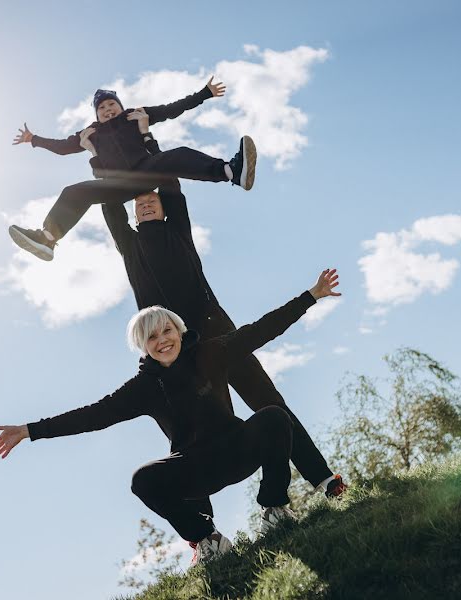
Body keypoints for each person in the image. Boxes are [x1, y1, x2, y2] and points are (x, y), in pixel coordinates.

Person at [0, 268, 342, 566]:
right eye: (153, 337)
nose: (163, 340)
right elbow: (93, 416)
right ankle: (208, 541)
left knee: (274, 417)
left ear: (179, 331)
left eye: (168, 331)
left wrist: (311, 296)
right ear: (144, 346)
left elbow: (260, 330)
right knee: (143, 480)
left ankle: (275, 509)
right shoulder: (144, 387)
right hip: (195, 467)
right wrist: (30, 430)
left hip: (237, 449)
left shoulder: (211, 352)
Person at [101, 134, 346, 504]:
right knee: (193, 434)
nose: (147, 204)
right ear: (134, 214)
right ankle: (205, 532)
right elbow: (108, 202)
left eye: (152, 200)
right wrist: (100, 149)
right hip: (176, 354)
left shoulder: (177, 231)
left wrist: (147, 141)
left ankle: (324, 479)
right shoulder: (129, 245)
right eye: (140, 203)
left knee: (269, 401)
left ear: (164, 208)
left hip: (217, 333)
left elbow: (169, 179)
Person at [7, 77, 257, 261]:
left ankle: (230, 172)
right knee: (73, 192)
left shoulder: (135, 115)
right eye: (102, 108)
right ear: (96, 113)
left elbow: (171, 109)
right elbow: (62, 147)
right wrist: (34, 139)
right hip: (117, 184)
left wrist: (203, 93)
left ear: (119, 105)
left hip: (146, 170)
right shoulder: (91, 132)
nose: (107, 110)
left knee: (177, 155)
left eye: (111, 105)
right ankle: (48, 238)